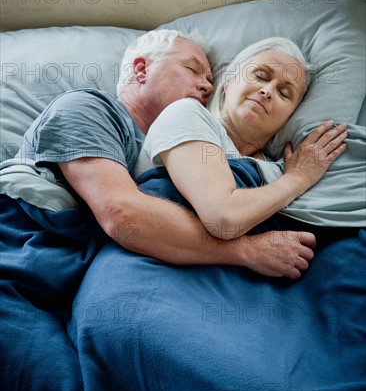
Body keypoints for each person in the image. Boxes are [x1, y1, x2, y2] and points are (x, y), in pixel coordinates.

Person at [0, 30, 318, 280]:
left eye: (210, 79)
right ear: (141, 69)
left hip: (63, 282)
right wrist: (247, 251)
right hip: (17, 258)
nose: (206, 86)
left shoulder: (168, 151)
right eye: (193, 70)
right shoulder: (87, 108)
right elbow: (123, 215)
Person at [134, 36, 348, 275]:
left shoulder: (277, 169)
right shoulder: (187, 114)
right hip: (155, 273)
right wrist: (299, 178)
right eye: (261, 76)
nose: (267, 91)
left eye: (284, 93)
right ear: (229, 82)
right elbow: (223, 217)